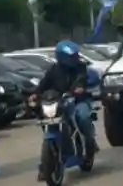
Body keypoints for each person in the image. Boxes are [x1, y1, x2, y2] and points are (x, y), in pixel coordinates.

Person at [29, 40, 97, 174]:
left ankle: (89, 147)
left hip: (78, 100)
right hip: (60, 102)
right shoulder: (54, 70)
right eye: (72, 56)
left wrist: (79, 88)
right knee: (46, 118)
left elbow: (81, 79)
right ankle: (48, 162)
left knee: (82, 117)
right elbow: (44, 84)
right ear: (62, 57)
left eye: (75, 56)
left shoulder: (80, 67)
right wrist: (35, 94)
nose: (75, 58)